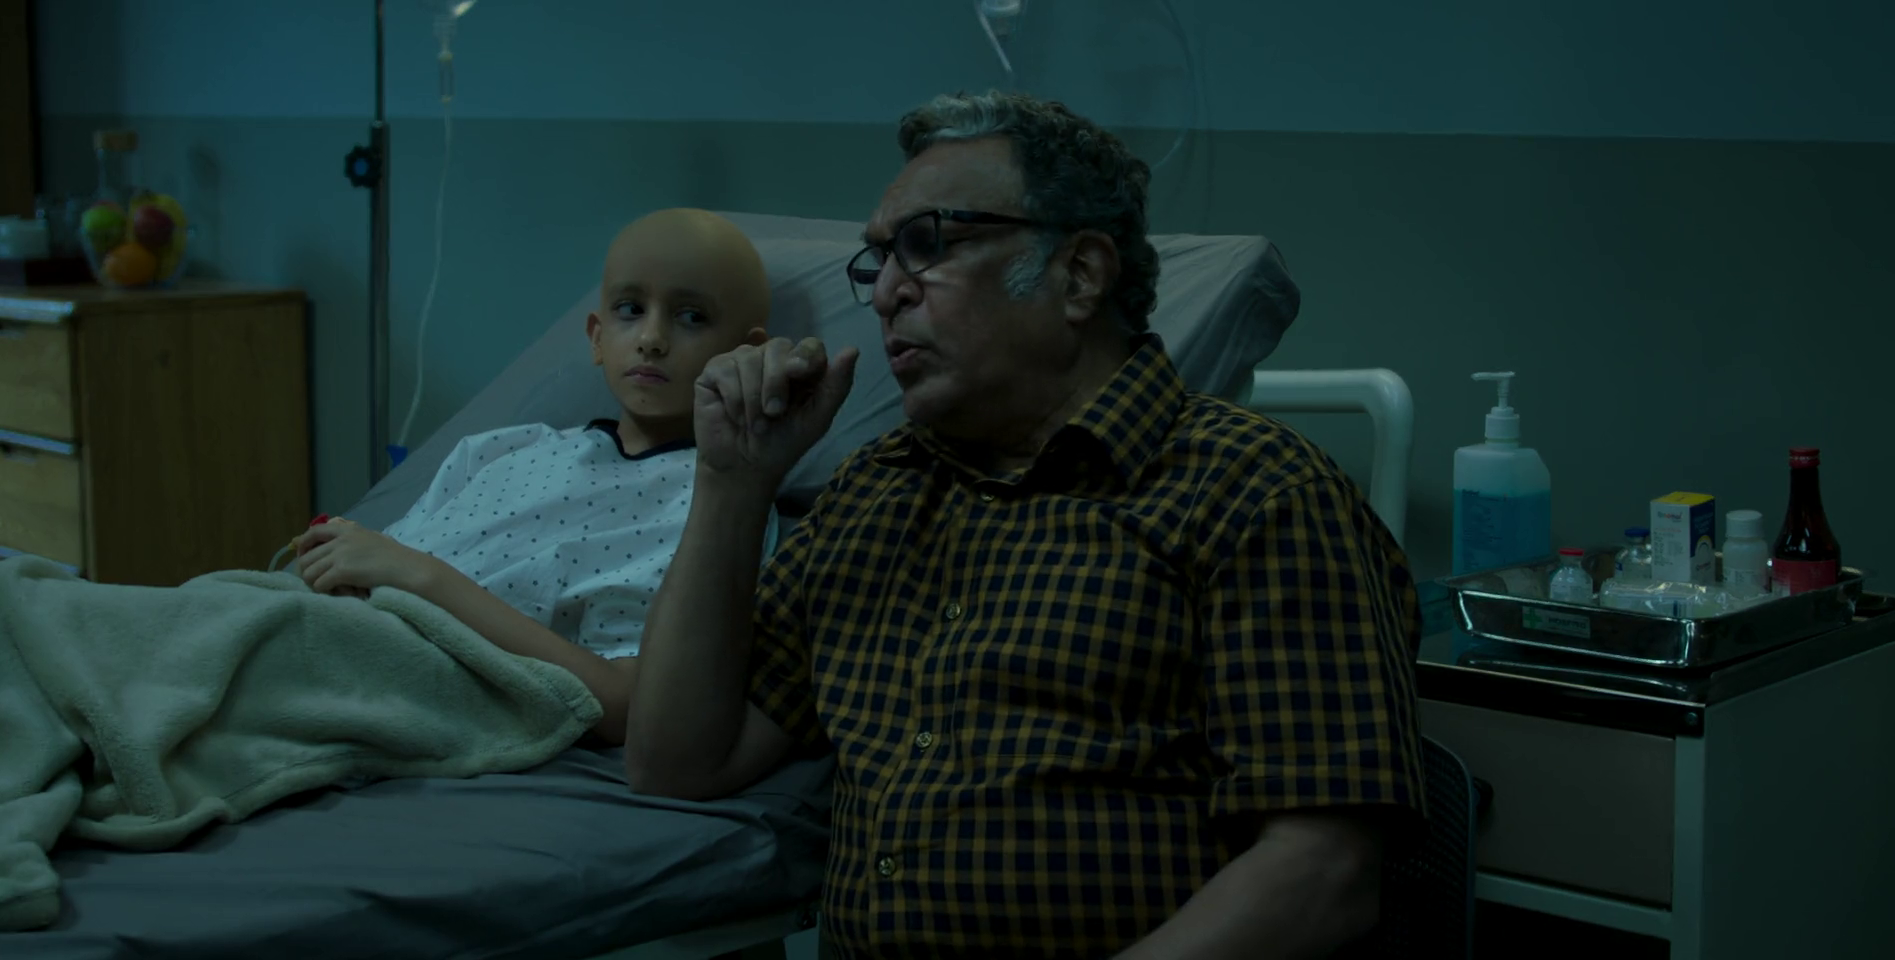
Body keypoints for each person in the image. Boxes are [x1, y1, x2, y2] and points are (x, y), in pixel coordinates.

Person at [624, 92, 1424, 959]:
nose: (886, 292)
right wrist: (733, 481)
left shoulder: (1255, 494)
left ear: (1078, 275)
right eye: (880, 259)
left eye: (927, 244)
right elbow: (678, 762)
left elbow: (1325, 870)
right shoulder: (872, 494)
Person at [294, 207, 772, 746]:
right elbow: (376, 568)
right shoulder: (500, 451)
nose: (652, 338)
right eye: (631, 309)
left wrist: (424, 577)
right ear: (596, 337)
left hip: (410, 681)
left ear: (748, 355)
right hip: (328, 629)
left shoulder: (705, 511)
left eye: (691, 317)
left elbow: (625, 704)